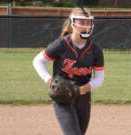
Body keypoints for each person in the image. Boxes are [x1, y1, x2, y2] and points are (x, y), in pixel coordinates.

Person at [33, 7, 104, 135]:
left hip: (83, 98)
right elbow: (38, 61)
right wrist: (50, 81)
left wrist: (80, 90)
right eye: (82, 22)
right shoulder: (61, 44)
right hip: (62, 97)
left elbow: (99, 79)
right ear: (73, 23)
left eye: (88, 23)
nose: (86, 26)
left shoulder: (95, 49)